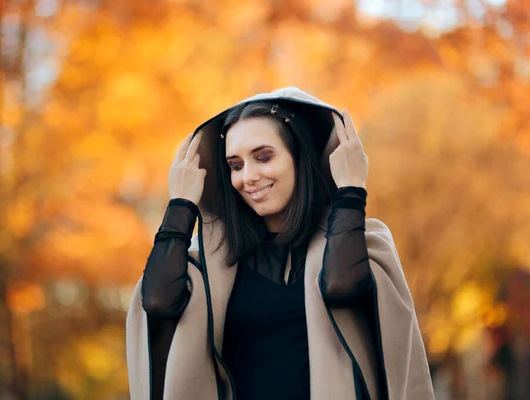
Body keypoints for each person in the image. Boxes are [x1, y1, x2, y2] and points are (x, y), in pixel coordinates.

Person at [126, 87, 434, 400]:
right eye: (235, 165)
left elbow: (342, 286)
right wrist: (181, 203)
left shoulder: (359, 242)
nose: (248, 177)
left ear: (300, 157)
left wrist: (351, 189)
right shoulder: (211, 264)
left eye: (263, 157)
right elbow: (157, 303)